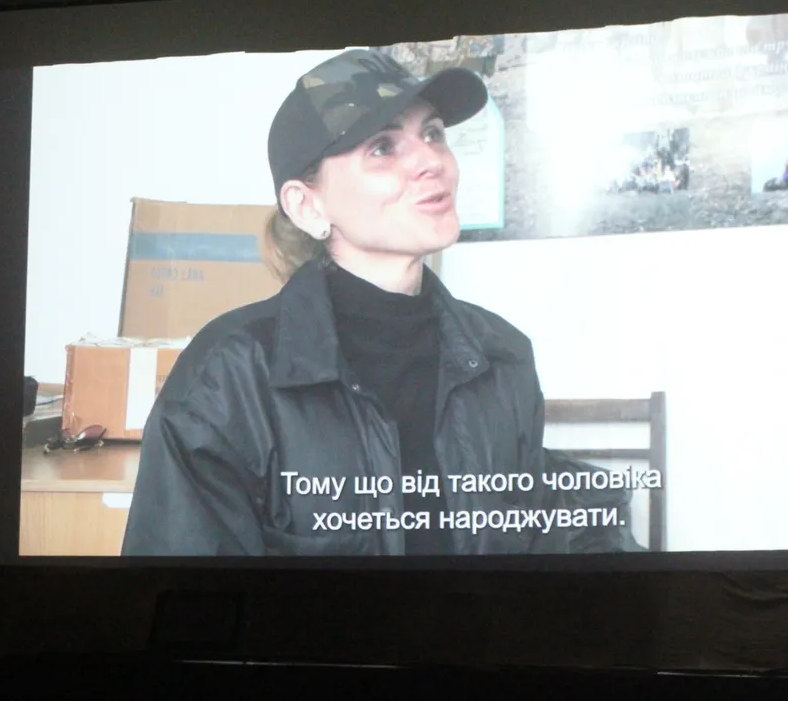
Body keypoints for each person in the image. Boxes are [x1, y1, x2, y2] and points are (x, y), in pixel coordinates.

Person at [121, 49, 638, 556]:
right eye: (382, 147)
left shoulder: (503, 356)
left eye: (432, 133)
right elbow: (182, 593)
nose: (431, 161)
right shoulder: (228, 375)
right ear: (307, 205)